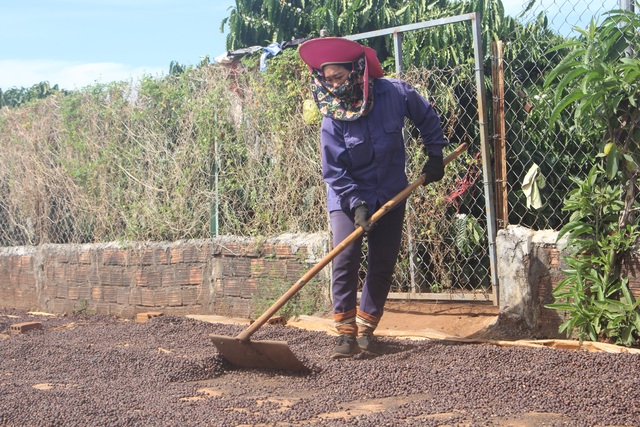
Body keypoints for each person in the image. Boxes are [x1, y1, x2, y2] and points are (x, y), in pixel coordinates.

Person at [298, 37, 449, 359]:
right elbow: (334, 170)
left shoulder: (395, 93)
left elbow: (427, 118)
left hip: (391, 191)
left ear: (355, 72)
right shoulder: (332, 115)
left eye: (339, 77)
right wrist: (357, 204)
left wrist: (434, 154)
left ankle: (367, 330)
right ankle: (345, 334)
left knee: (382, 262)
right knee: (345, 259)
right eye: (328, 79)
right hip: (346, 196)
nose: (334, 85)